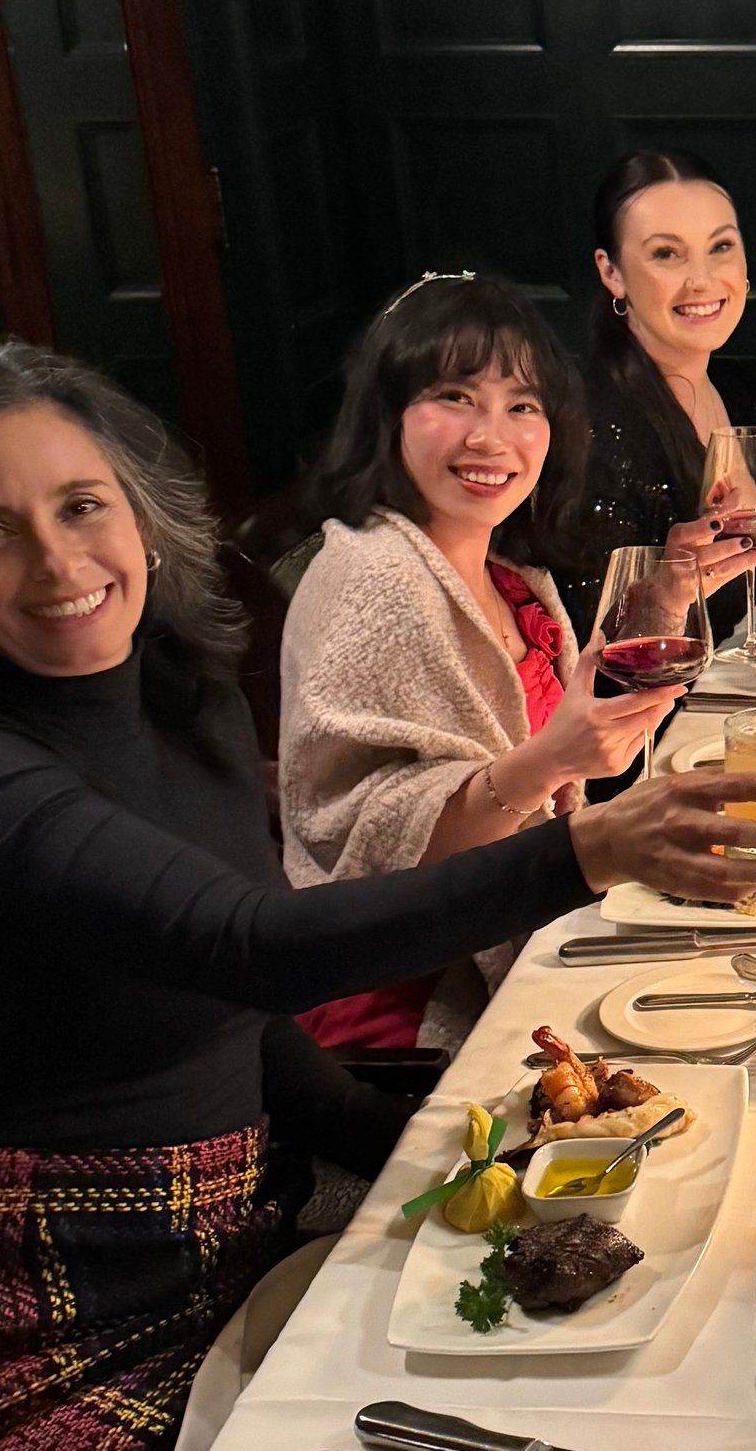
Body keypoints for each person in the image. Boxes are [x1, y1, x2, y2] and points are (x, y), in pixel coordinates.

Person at [0, 343, 756, 1451]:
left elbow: (226, 1019)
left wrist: (419, 1167)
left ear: (140, 510)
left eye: (82, 505)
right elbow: (248, 951)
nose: (59, 563)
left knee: (622, 1365)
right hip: (14, 1328)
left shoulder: (174, 693)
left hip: (222, 1246)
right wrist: (585, 849)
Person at [279, 274, 683, 1055]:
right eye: (456, 396)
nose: (490, 437)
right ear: (388, 413)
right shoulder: (374, 577)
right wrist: (547, 763)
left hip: (527, 938)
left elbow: (560, 761)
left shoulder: (508, 577)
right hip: (418, 1000)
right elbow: (373, 854)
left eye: (521, 406)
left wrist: (669, 597)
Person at [577, 152, 756, 636]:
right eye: (667, 253)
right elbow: (600, 649)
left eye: (721, 247)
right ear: (612, 273)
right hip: (657, 708)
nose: (703, 280)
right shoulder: (591, 429)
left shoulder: (738, 390)